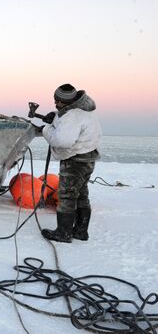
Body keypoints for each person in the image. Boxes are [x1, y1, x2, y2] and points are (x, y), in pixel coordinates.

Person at [40, 83, 102, 243]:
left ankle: (64, 233)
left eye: (58, 101)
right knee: (81, 194)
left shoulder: (72, 116)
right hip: (87, 158)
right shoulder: (85, 110)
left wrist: (46, 130)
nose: (56, 104)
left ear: (64, 101)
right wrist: (54, 116)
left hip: (75, 160)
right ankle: (81, 231)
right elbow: (68, 121)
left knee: (67, 195)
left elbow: (62, 140)